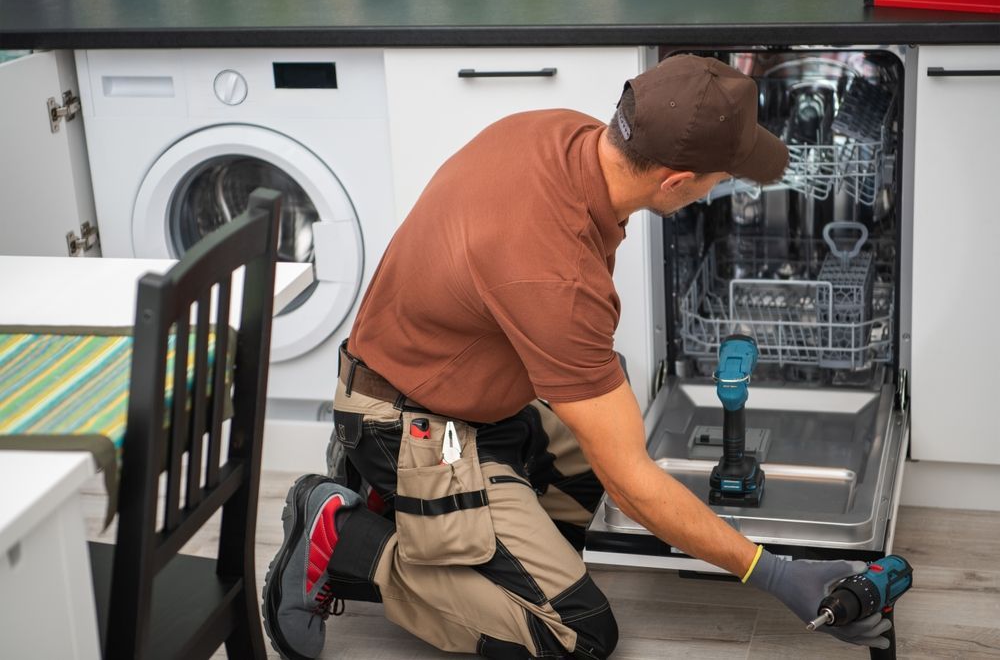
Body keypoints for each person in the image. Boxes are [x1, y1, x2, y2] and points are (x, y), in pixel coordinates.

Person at [261, 54, 892, 659]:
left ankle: (437, 525)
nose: (719, 187)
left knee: (593, 459)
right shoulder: (555, 277)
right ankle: (347, 538)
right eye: (719, 178)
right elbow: (633, 481)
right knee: (578, 633)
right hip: (411, 424)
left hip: (456, 388)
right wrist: (773, 572)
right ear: (674, 181)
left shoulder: (563, 132)